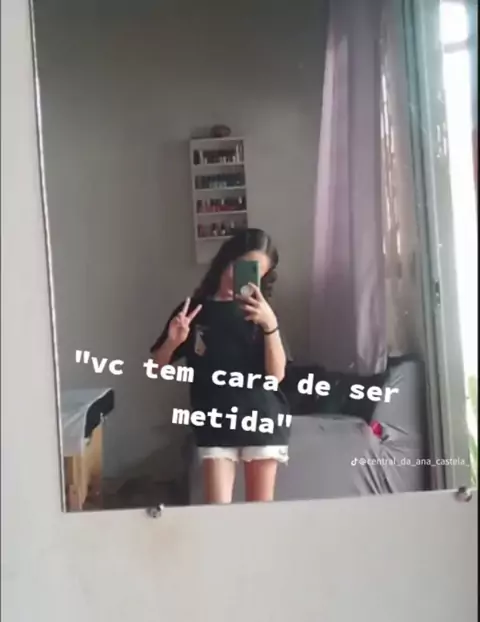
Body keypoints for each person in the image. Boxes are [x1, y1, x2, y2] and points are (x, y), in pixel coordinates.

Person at [150, 228, 291, 504]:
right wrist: (173, 341)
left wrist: (270, 325)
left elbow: (276, 375)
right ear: (227, 259)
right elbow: (156, 366)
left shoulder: (263, 314)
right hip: (214, 423)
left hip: (262, 420)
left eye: (255, 272)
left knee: (260, 518)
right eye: (241, 266)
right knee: (217, 517)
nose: (241, 277)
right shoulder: (194, 310)